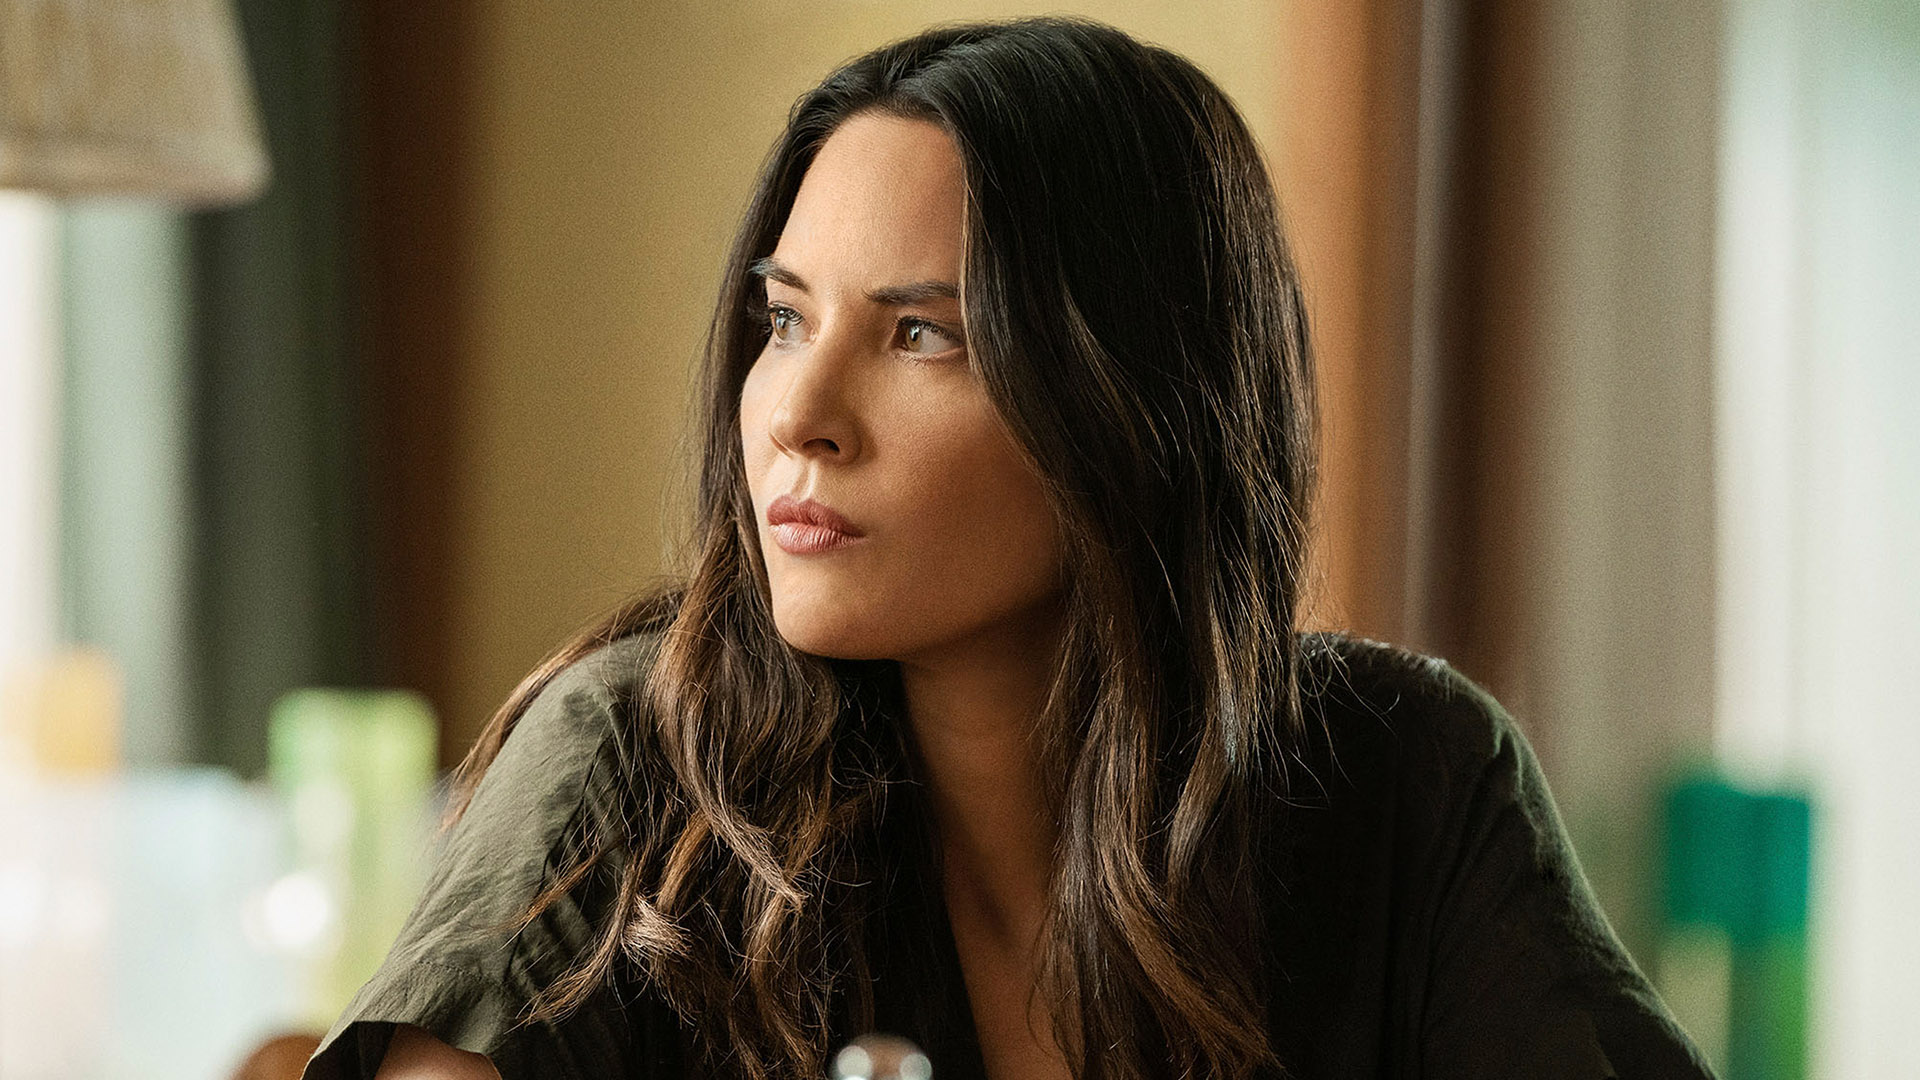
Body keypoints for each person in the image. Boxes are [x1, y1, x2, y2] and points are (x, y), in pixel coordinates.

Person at [304, 17, 1716, 1080]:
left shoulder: (1406, 782)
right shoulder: (634, 763)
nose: (796, 413)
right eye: (786, 319)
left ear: (1130, 405)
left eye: (922, 334)